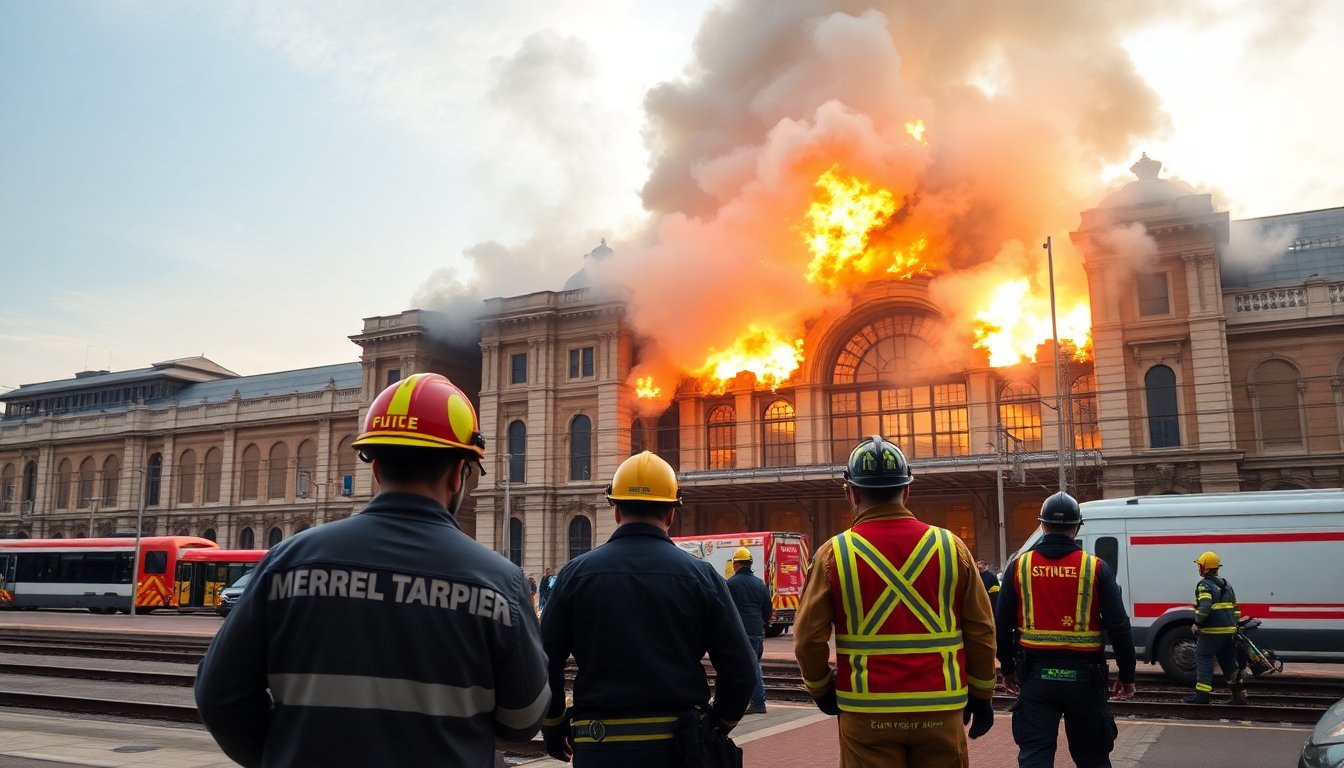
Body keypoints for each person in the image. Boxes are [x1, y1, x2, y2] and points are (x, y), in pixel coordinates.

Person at [195, 373, 549, 767]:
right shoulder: (498, 581)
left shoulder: (286, 562)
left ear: (377, 469)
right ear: (458, 473)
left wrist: (281, 755)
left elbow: (218, 695)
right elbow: (523, 720)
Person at [540, 450, 756, 767]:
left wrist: (553, 724)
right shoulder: (702, 576)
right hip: (679, 751)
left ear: (616, 511)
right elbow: (741, 669)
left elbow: (544, 660)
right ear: (671, 514)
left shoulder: (575, 574)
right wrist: (717, 724)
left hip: (598, 748)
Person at [794, 435, 997, 768]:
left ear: (852, 493)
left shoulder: (834, 553)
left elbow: (807, 639)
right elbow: (981, 630)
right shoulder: (951, 547)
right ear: (906, 491)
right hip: (940, 709)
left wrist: (821, 689)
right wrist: (982, 694)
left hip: (866, 712)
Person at [995, 492, 1137, 768]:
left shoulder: (1019, 567)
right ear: (1077, 527)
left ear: (1042, 525)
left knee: (1035, 755)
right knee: (1093, 758)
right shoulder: (1096, 568)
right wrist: (1127, 675)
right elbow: (1120, 627)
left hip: (1036, 677)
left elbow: (1002, 624)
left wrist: (1008, 670)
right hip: (1086, 680)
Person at [1185, 551, 1246, 705]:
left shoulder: (1204, 585)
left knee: (1203, 657)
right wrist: (1234, 625)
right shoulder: (1226, 584)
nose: (1198, 568)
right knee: (1229, 662)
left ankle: (1202, 696)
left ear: (1204, 568)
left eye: (1200, 565)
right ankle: (1239, 695)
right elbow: (1235, 607)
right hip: (1229, 631)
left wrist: (1197, 623)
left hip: (1212, 631)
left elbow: (1205, 607)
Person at [726, 545, 773, 715]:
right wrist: (762, 624)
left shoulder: (730, 584)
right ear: (750, 564)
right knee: (753, 664)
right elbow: (768, 608)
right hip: (756, 630)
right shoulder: (760, 584)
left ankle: (758, 702)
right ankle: (745, 700)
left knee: (745, 666)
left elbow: (726, 609)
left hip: (740, 631)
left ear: (736, 564)